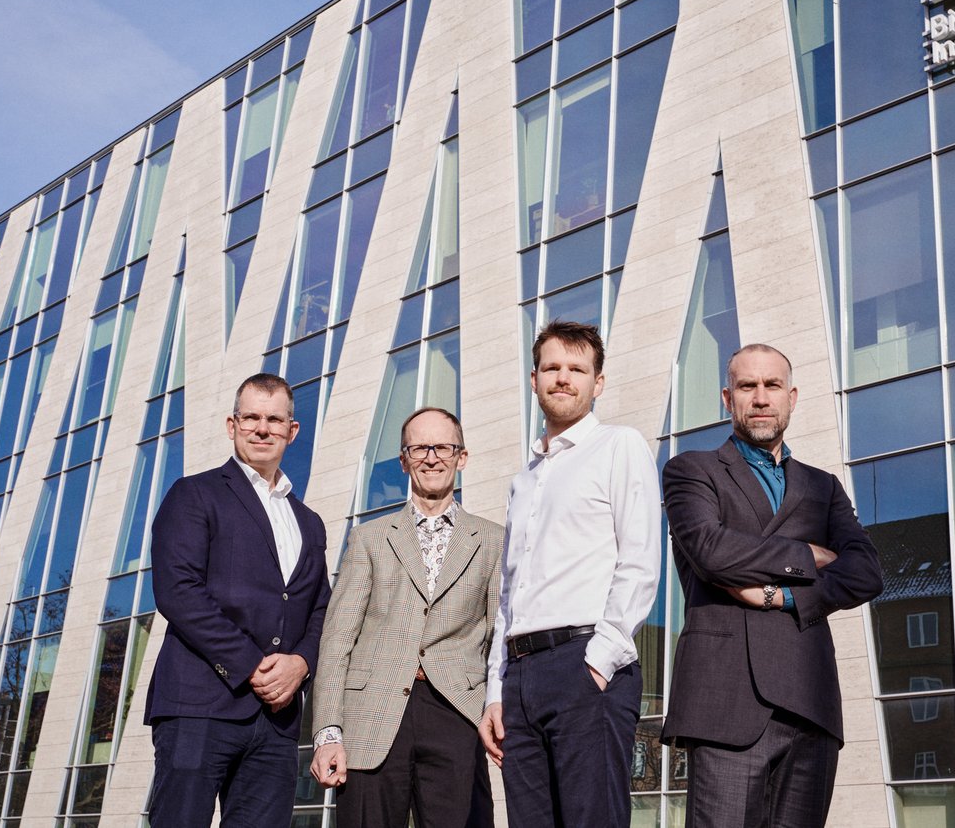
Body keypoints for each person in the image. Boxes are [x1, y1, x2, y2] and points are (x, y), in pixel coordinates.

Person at [661, 344, 882, 828]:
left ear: (792, 397)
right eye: (747, 386)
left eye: (772, 385)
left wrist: (779, 594)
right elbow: (711, 550)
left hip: (810, 702)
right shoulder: (690, 470)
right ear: (727, 397)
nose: (760, 398)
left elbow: (867, 572)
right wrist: (809, 555)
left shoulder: (823, 487)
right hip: (725, 700)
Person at [479, 320, 662, 828]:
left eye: (577, 369)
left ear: (597, 383)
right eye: (552, 367)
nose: (563, 378)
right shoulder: (524, 480)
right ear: (533, 379)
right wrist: (498, 690)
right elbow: (509, 595)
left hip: (585, 665)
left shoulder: (620, 446)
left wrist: (600, 659)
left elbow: (641, 561)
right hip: (520, 676)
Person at [144, 373, 332, 827]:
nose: (262, 429)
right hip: (200, 705)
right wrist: (253, 665)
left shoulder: (309, 522)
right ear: (232, 425)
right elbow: (178, 590)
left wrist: (301, 664)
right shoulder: (194, 494)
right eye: (251, 418)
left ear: (293, 430)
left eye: (274, 419)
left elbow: (322, 608)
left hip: (276, 720)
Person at [309, 407, 502, 828]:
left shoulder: (492, 541)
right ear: (403, 460)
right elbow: (337, 640)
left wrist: (495, 707)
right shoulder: (368, 539)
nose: (432, 457)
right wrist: (328, 732)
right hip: (371, 714)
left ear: (461, 457)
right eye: (419, 448)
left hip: (456, 713)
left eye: (443, 447)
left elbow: (498, 637)